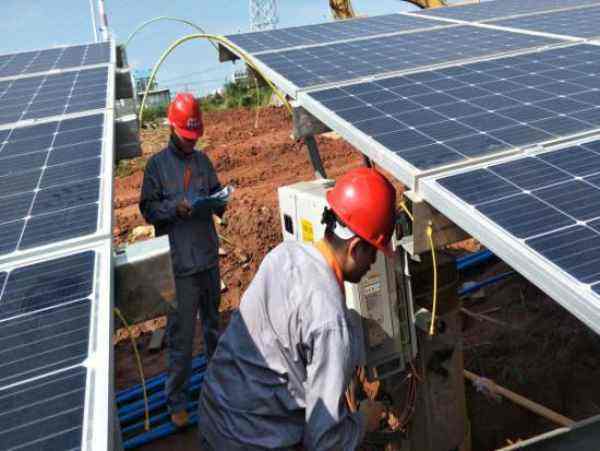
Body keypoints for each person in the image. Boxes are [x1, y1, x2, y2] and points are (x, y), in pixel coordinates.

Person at [198, 167, 397, 450]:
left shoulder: (284, 254)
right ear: (355, 249)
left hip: (215, 417)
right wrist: (364, 420)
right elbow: (324, 441)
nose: (372, 264)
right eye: (374, 252)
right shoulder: (330, 322)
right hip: (252, 441)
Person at [139, 93, 226, 427]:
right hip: (180, 268)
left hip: (207, 257)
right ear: (173, 129)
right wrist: (173, 209)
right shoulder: (157, 167)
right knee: (182, 337)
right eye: (187, 137)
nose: (191, 144)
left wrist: (219, 202)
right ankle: (177, 400)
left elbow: (216, 192)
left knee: (214, 328)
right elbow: (147, 208)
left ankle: (217, 388)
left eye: (195, 138)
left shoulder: (202, 162)